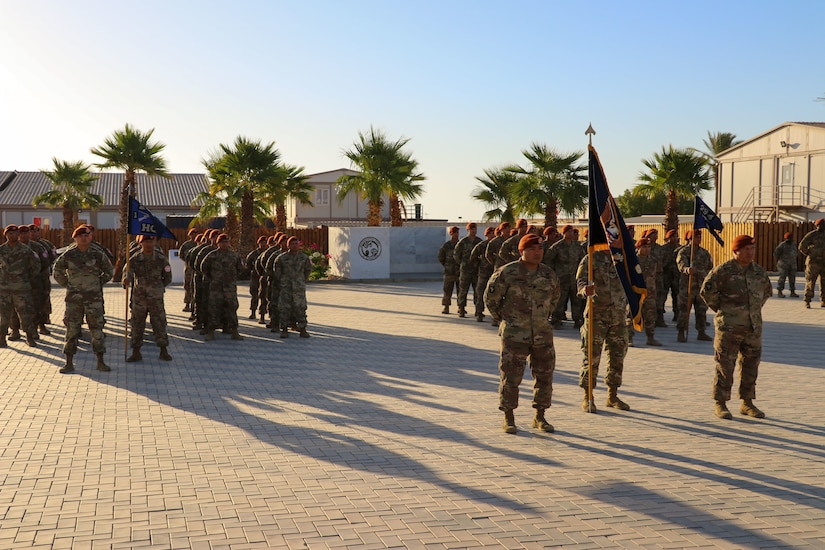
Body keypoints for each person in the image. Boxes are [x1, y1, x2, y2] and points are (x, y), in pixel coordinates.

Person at [484, 234, 560, 434]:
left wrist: (542, 318)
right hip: (514, 336)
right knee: (511, 377)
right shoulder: (507, 273)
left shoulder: (548, 274)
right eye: (532, 249)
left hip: (542, 336)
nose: (537, 253)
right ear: (521, 251)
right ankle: (508, 417)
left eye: (540, 249)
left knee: (544, 376)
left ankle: (540, 416)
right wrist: (507, 320)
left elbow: (554, 298)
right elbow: (491, 299)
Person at [701, 235, 772, 420]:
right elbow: (707, 292)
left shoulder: (759, 272)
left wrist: (753, 310)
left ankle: (747, 403)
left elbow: (766, 293)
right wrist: (725, 310)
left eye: (752, 248)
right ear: (736, 251)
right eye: (746, 249)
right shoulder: (723, 271)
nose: (751, 252)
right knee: (725, 365)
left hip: (753, 327)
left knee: (751, 365)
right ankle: (721, 403)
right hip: (729, 327)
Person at [576, 239, 631, 413]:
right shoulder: (591, 258)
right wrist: (585, 290)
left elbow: (634, 282)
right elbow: (580, 281)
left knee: (617, 356)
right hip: (596, 315)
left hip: (618, 316)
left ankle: (612, 395)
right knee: (591, 357)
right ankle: (588, 396)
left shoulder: (624, 259)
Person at [52, 225, 114, 373]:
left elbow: (109, 271)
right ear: (75, 238)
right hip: (74, 299)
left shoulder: (97, 254)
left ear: (90, 237)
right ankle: (69, 362)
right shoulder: (69, 255)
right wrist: (68, 284)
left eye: (86, 235)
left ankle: (100, 361)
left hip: (94, 298)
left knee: (96, 329)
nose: (84, 238)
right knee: (72, 330)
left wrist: (97, 283)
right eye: (80, 236)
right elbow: (57, 271)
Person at [122, 235, 173, 362]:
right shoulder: (135, 259)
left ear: (155, 242)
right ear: (140, 243)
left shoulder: (161, 259)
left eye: (151, 241)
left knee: (159, 323)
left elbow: (168, 276)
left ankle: (163, 350)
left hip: (155, 298)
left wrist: (158, 287)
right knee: (137, 324)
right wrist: (126, 279)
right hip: (140, 298)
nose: (149, 244)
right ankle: (136, 351)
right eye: (146, 242)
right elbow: (127, 271)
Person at [0, 224, 40, 348]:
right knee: (4, 315)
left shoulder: (26, 250)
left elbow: (36, 266)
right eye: (9, 233)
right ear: (5, 235)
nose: (12, 235)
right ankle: (2, 339)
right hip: (4, 289)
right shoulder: (1, 250)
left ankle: (29, 337)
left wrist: (27, 278)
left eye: (14, 233)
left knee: (25, 314)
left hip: (22, 288)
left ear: (18, 234)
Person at [200, 233, 244, 341]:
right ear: (218, 243)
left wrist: (232, 278)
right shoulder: (212, 255)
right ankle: (211, 332)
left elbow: (240, 269)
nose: (224, 244)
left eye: (226, 242)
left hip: (229, 288)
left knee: (232, 309)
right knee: (214, 309)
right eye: (222, 242)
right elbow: (203, 267)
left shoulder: (234, 256)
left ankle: (234, 331)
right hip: (216, 288)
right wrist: (213, 278)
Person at [676, 229, 713, 342]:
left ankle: (701, 332)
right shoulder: (684, 252)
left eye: (699, 237)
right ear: (690, 239)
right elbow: (681, 265)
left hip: (700, 286)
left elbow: (710, 267)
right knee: (684, 310)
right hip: (687, 286)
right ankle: (681, 332)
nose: (698, 239)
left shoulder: (704, 253)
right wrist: (687, 269)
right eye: (696, 237)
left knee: (701, 310)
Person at [545, 224, 585, 329]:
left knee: (576, 300)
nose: (571, 233)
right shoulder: (557, 246)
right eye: (569, 231)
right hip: (561, 278)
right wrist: (553, 272)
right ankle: (556, 320)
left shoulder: (577, 246)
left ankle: (578, 319)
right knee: (560, 300)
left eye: (572, 231)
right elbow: (548, 259)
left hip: (574, 278)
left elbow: (583, 261)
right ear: (564, 233)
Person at [273, 236, 313, 338]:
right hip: (286, 288)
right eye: (292, 244)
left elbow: (308, 270)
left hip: (298, 288)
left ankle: (302, 329)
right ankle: (285, 329)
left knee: (300, 308)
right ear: (288, 245)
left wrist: (302, 280)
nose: (294, 246)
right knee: (284, 308)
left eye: (296, 244)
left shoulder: (304, 258)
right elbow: (277, 272)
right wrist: (282, 282)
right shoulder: (281, 258)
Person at [635, 237, 662, 346]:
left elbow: (658, 276)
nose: (647, 249)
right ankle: (630, 337)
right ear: (638, 248)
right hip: (636, 292)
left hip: (650, 293)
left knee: (650, 316)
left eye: (648, 247)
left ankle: (650, 337)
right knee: (632, 314)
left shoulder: (653, 261)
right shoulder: (633, 261)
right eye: (644, 247)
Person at [453, 222, 482, 318]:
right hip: (465, 270)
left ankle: (478, 310)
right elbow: (456, 255)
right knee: (463, 290)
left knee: (477, 291)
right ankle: (461, 308)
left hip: (476, 270)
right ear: (468, 230)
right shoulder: (463, 242)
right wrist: (462, 263)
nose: (474, 231)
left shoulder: (479, 241)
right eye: (472, 229)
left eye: (475, 229)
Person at [469, 226, 495, 322]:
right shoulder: (482, 245)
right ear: (486, 235)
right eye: (490, 234)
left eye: (493, 233)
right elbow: (473, 256)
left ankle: (494, 316)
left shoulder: (497, 244)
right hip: (483, 273)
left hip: (494, 273)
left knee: (494, 295)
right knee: (480, 293)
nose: (492, 235)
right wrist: (478, 265)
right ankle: (479, 313)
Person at [798, 219, 825, 308]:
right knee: (810, 282)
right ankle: (807, 300)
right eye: (820, 225)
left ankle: (823, 301)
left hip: (824, 263)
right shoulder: (812, 235)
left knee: (824, 283)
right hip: (813, 263)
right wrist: (810, 253)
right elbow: (802, 246)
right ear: (817, 225)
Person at [659, 229, 681, 324]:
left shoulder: (680, 248)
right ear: (668, 238)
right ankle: (660, 315)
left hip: (676, 276)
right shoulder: (663, 249)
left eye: (676, 236)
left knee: (677, 295)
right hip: (666, 275)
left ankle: (677, 314)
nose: (675, 238)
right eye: (672, 236)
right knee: (662, 295)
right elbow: (660, 262)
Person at [437, 226, 460, 314]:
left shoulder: (461, 244)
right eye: (454, 232)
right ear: (450, 233)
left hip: (459, 272)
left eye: (457, 232)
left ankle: (460, 307)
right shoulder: (446, 246)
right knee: (447, 290)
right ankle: (446, 307)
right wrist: (446, 265)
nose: (456, 234)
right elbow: (440, 257)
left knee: (460, 291)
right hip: (449, 272)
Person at [178, 228, 201, 313]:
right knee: (187, 286)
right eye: (192, 234)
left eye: (195, 234)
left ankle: (194, 305)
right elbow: (181, 255)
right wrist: (188, 262)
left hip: (198, 269)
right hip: (188, 268)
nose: (194, 235)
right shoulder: (186, 245)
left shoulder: (200, 244)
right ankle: (187, 304)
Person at [246, 235, 269, 319]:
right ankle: (253, 312)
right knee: (254, 296)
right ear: (258, 243)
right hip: (255, 278)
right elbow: (248, 263)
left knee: (264, 296)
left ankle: (262, 315)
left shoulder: (268, 253)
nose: (263, 244)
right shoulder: (254, 254)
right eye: (261, 242)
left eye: (265, 242)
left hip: (264, 278)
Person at [774, 232, 798, 297]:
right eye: (789, 238)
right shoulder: (782, 245)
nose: (791, 239)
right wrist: (781, 260)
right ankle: (780, 292)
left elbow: (796, 253)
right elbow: (776, 253)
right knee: (782, 278)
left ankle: (792, 292)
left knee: (792, 279)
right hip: (783, 265)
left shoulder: (794, 245)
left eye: (791, 237)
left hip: (792, 265)